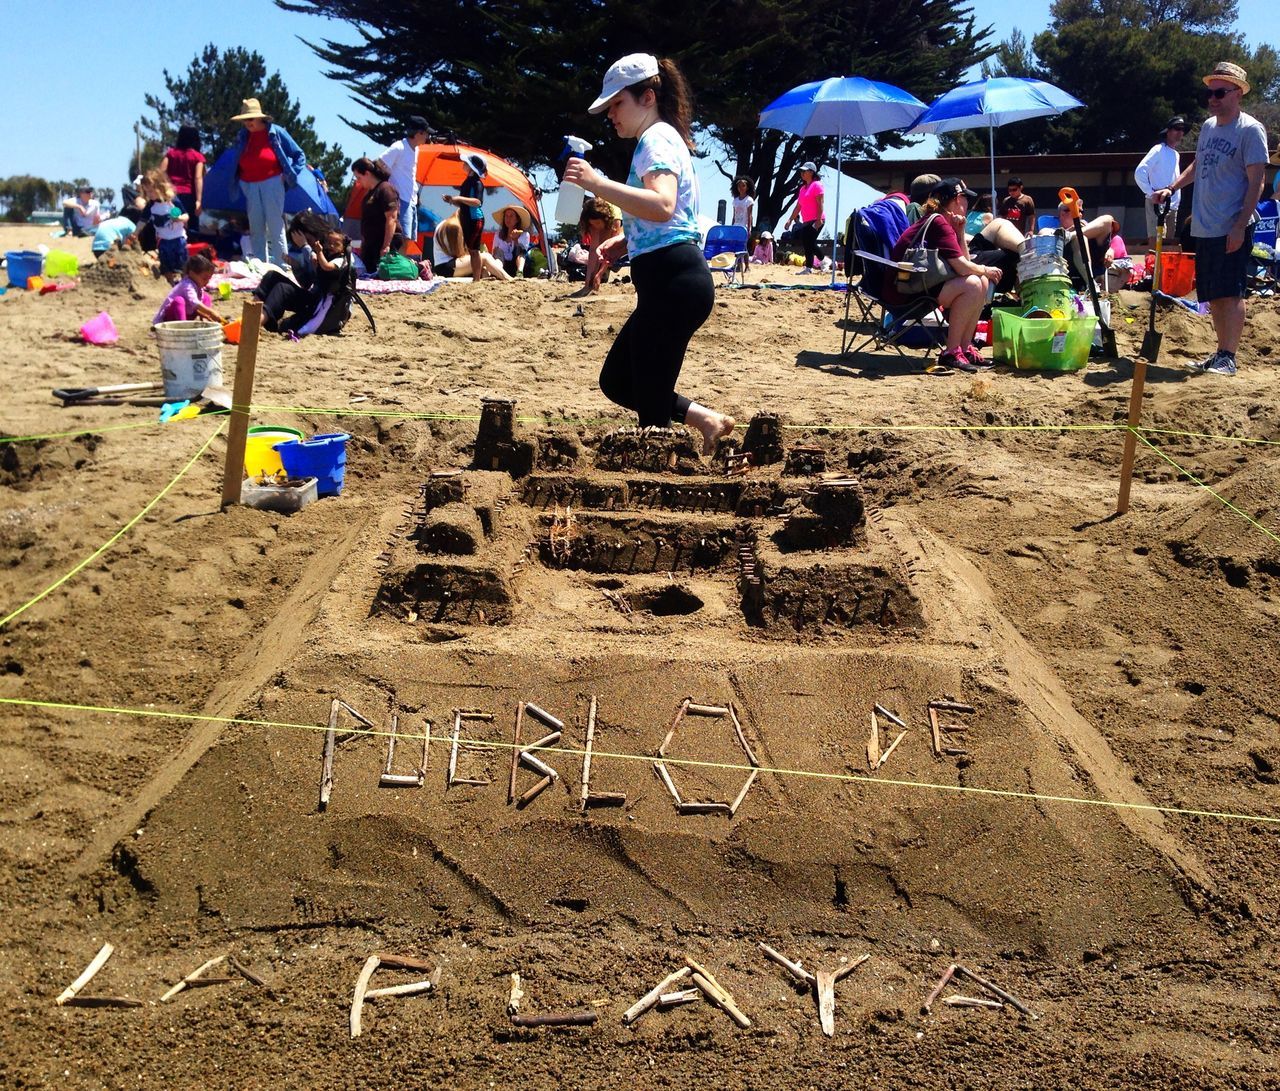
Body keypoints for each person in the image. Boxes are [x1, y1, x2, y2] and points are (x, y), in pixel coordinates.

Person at [563, 53, 733, 454]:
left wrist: (597, 183)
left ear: (648, 97)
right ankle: (705, 419)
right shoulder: (660, 138)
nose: (610, 114)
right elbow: (669, 217)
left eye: (617, 103)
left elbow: (662, 204)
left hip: (673, 280)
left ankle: (661, 486)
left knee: (650, 402)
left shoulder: (655, 139)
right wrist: (627, 239)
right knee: (621, 381)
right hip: (670, 278)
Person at [1155, 61, 1269, 376]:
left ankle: (1229, 357)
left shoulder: (1250, 129)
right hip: (1206, 225)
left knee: (1230, 292)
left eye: (1220, 92)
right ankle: (1220, 352)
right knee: (1214, 293)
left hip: (1232, 224)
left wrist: (1238, 225)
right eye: (1210, 93)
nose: (1213, 98)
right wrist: (1172, 187)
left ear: (1237, 94)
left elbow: (1257, 180)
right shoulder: (1208, 127)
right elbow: (1197, 164)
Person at [885, 177, 1000, 374]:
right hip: (906, 292)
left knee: (979, 280)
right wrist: (986, 269)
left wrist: (961, 231)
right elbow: (963, 267)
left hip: (918, 284)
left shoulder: (943, 221)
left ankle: (964, 348)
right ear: (956, 199)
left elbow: (963, 260)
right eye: (965, 198)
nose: (967, 203)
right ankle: (951, 352)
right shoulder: (939, 223)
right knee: (973, 283)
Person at [228, 97, 307, 266]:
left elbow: (299, 155)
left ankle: (282, 265)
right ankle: (260, 266)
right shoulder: (243, 135)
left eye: (250, 119)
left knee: (275, 225)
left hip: (272, 182)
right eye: (244, 120)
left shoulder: (276, 132)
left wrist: (290, 173)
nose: (247, 123)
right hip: (249, 183)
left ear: (260, 117)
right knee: (256, 227)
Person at [254, 229, 352, 334]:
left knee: (282, 289)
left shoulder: (339, 260)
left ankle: (256, 323)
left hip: (319, 305)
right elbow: (306, 283)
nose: (331, 246)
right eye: (329, 243)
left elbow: (327, 268)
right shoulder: (321, 253)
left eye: (336, 244)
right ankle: (252, 313)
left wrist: (314, 252)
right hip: (310, 298)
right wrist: (295, 265)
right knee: (271, 276)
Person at [1135, 117, 1187, 248]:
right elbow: (1140, 171)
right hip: (1158, 202)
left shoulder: (1176, 154)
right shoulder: (1158, 149)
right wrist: (1151, 193)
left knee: (1168, 247)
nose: (1180, 132)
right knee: (1156, 243)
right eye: (1177, 128)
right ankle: (1153, 268)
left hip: (1173, 204)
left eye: (1182, 130)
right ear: (1168, 131)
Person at [378, 115, 430, 239]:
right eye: (426, 133)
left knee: (409, 238)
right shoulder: (399, 147)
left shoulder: (415, 149)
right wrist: (389, 186)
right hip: (401, 199)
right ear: (418, 134)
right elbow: (380, 162)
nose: (427, 137)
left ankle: (404, 258)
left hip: (411, 199)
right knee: (401, 237)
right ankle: (399, 258)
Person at [443, 152, 489, 280]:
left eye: (466, 163)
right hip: (467, 218)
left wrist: (458, 198)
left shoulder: (477, 183)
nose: (463, 164)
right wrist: (452, 200)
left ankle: (477, 279)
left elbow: (477, 202)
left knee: (474, 250)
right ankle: (476, 278)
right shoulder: (467, 181)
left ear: (472, 167)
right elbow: (464, 204)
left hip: (475, 219)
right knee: (471, 249)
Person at [1053, 200, 1116, 289]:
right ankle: (1091, 284)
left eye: (1081, 211)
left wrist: (1111, 249)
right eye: (1076, 210)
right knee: (1080, 238)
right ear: (1062, 214)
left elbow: (1111, 232)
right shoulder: (1052, 231)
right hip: (1066, 266)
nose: (1080, 214)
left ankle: (1071, 236)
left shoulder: (1091, 228)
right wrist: (1070, 231)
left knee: (1108, 218)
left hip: (1094, 263)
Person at [351, 157, 399, 269]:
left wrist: (386, 246)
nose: (358, 181)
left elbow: (392, 217)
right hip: (370, 244)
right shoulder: (369, 194)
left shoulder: (385, 189)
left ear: (367, 174)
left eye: (359, 177)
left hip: (382, 243)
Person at [142, 169, 189, 283]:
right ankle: (170, 283)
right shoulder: (151, 205)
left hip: (178, 238)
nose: (149, 194)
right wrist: (136, 232)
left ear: (160, 187)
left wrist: (179, 219)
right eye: (147, 192)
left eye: (151, 191)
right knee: (166, 264)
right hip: (163, 240)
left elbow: (186, 215)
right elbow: (142, 220)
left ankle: (184, 283)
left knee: (182, 263)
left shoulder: (172, 200)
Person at [432, 214, 511, 280]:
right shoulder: (454, 226)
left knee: (482, 266)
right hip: (445, 267)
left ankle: (490, 280)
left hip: (445, 266)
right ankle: (509, 279)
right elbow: (458, 253)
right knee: (484, 257)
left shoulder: (447, 223)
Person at [571, 197, 624, 295]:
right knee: (597, 253)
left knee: (607, 250)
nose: (597, 227)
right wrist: (588, 281)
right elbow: (593, 250)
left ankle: (602, 276)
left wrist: (599, 274)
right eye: (593, 224)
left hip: (612, 224)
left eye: (598, 223)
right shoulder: (591, 218)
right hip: (602, 219)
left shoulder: (615, 217)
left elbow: (611, 249)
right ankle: (589, 285)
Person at [153, 254, 221, 324]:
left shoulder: (197, 285)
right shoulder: (187, 285)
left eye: (209, 279)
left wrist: (205, 314)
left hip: (187, 315)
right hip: (170, 318)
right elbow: (194, 302)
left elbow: (194, 305)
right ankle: (183, 327)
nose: (207, 281)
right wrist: (211, 312)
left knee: (206, 297)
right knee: (179, 300)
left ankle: (206, 322)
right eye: (204, 278)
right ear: (192, 273)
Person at [159, 124, 206, 221]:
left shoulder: (171, 153)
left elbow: (161, 172)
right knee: (189, 225)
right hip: (188, 195)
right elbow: (198, 178)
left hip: (170, 193)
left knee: (171, 222)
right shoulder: (198, 157)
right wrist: (198, 200)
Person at [784, 161, 825, 272]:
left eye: (804, 171)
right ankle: (809, 267)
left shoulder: (817, 185)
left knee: (809, 242)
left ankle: (823, 260)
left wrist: (819, 219)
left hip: (817, 219)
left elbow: (820, 204)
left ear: (811, 172)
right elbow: (798, 207)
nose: (802, 173)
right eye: (801, 171)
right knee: (807, 242)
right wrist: (790, 220)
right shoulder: (802, 189)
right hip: (807, 220)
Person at [491, 204, 532, 277]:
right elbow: (494, 252)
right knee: (498, 251)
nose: (508, 219)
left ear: (517, 219)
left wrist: (515, 240)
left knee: (520, 250)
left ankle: (519, 272)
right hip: (503, 265)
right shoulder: (498, 235)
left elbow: (522, 252)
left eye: (511, 216)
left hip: (518, 266)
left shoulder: (524, 235)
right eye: (506, 216)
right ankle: (497, 271)